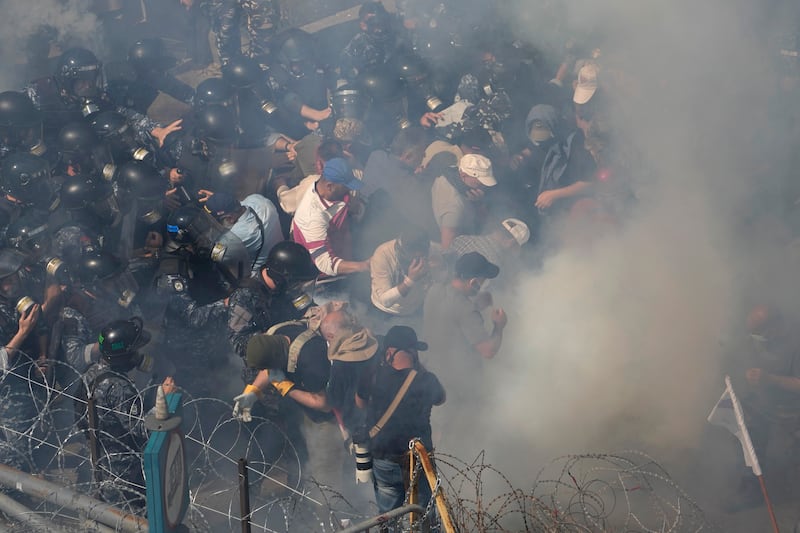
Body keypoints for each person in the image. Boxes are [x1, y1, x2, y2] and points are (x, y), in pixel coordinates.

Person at [355, 325, 445, 517]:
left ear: (388, 352)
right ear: (413, 352)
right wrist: (418, 372)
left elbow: (360, 403)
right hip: (418, 460)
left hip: (384, 459)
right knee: (423, 516)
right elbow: (441, 398)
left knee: (389, 517)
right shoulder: (426, 380)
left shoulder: (372, 375)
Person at [291, 157, 370, 276]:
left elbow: (353, 208)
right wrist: (364, 266)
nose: (349, 190)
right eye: (346, 187)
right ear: (330, 186)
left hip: (346, 255)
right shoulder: (312, 217)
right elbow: (326, 264)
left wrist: (356, 209)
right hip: (325, 274)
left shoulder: (335, 193)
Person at [204, 191, 283, 276]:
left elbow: (215, 257)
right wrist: (218, 201)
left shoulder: (235, 238)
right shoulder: (257, 199)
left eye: (216, 220)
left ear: (230, 218)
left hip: (260, 275)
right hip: (280, 254)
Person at [370, 226, 439, 319]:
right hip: (386, 313)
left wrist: (442, 268)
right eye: (414, 257)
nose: (419, 260)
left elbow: (443, 280)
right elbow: (385, 301)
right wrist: (410, 280)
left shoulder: (434, 250)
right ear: (404, 250)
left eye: (423, 255)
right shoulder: (382, 255)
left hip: (416, 309)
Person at [431, 153, 497, 248]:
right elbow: (447, 247)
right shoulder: (455, 207)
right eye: (480, 183)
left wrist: (477, 202)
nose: (484, 187)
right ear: (463, 175)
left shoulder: (449, 173)